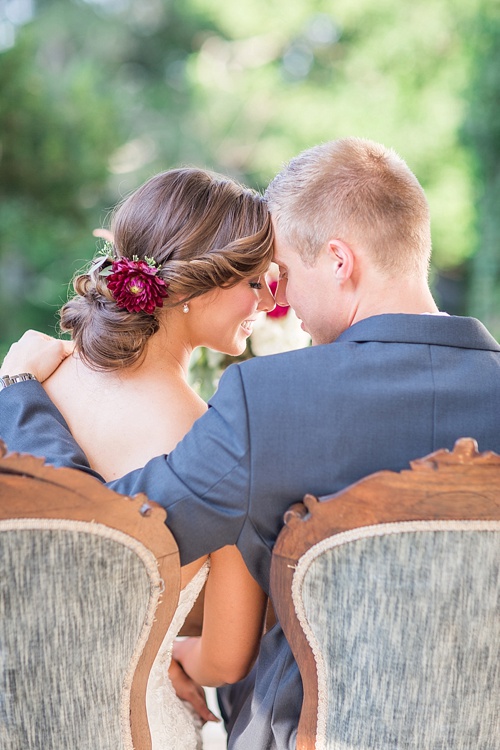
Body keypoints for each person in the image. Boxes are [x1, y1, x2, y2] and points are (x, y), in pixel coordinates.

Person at [2, 137, 500, 750]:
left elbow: (97, 545)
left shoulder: (266, 402)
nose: (278, 304)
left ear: (339, 262)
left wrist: (22, 396)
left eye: (284, 275)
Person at [0, 166, 276, 750]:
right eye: (255, 282)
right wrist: (170, 657)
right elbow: (227, 659)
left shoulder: (29, 384)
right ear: (198, 288)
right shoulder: (215, 444)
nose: (267, 302)